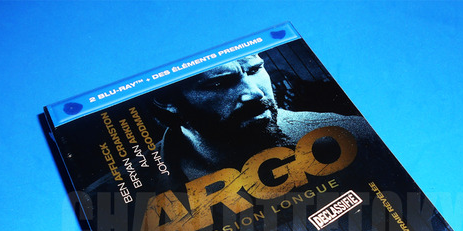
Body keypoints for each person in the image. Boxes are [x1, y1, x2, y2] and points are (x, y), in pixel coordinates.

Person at [150, 53, 376, 190]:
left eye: (255, 69)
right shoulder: (135, 185)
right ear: (166, 101)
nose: (255, 93)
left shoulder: (358, 136)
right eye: (220, 83)